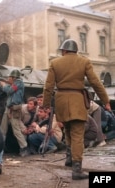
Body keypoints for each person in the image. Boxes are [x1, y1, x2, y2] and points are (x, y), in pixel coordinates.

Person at [43, 39, 111, 180]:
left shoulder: (55, 63)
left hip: (61, 101)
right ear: (75, 50)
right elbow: (95, 82)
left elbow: (48, 86)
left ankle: (69, 159)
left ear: (64, 50)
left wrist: (46, 105)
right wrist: (106, 100)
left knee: (67, 130)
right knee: (77, 136)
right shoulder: (84, 61)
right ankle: (77, 169)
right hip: (77, 102)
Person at [0, 70, 28, 157]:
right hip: (8, 109)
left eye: (10, 77)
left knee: (16, 130)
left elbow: (10, 91)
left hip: (14, 109)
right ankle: (0, 148)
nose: (8, 79)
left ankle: (24, 147)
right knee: (3, 130)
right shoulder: (14, 83)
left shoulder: (19, 83)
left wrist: (4, 85)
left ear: (14, 78)